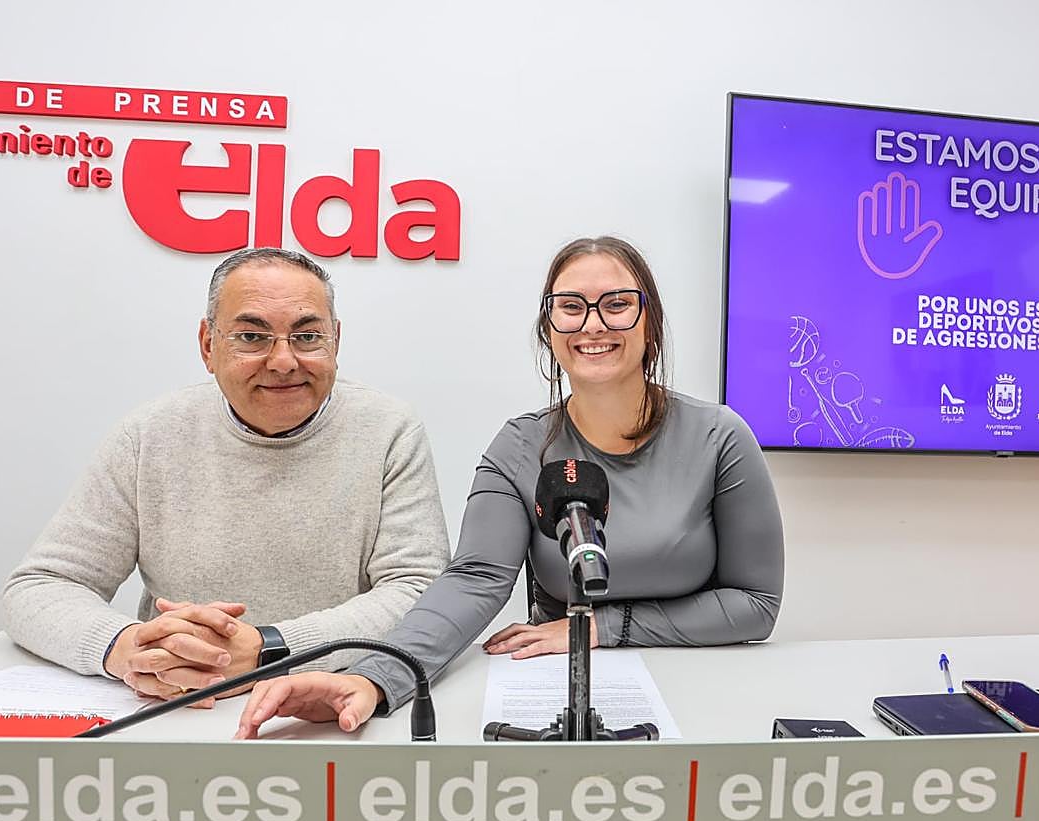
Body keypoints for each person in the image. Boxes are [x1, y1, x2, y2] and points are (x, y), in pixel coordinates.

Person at [234, 236, 784, 738]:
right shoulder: (520, 447)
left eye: (617, 304)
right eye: (571, 308)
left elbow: (756, 604)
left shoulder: (719, 436)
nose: (594, 325)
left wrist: (602, 627)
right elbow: (473, 581)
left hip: (707, 688)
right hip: (566, 692)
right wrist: (376, 678)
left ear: (650, 322)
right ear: (549, 330)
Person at [2, 248, 450, 702]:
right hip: (173, 703)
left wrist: (270, 649)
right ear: (208, 345)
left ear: (336, 341)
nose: (282, 361)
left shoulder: (388, 429)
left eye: (307, 336)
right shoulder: (150, 434)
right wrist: (127, 649)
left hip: (329, 706)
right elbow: (41, 586)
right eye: (252, 337)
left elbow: (422, 590)